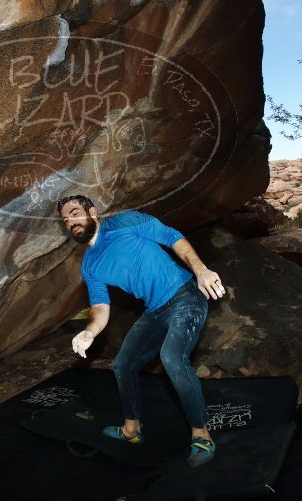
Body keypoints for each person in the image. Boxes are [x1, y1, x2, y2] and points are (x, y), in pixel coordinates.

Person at [57, 194, 226, 469]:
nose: (71, 222)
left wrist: (201, 270)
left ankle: (201, 434)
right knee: (122, 364)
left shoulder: (126, 222)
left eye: (74, 213)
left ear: (92, 212)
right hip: (154, 311)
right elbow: (100, 306)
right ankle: (132, 430)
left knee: (172, 357)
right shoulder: (90, 265)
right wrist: (90, 331)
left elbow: (172, 236)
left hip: (185, 296)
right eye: (65, 220)